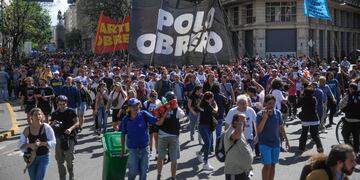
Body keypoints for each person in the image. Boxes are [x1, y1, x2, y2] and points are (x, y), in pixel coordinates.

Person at [120, 98, 169, 180]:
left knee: (144, 172)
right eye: (133, 106)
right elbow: (122, 134)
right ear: (129, 107)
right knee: (133, 171)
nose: (135, 107)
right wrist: (122, 149)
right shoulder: (126, 119)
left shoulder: (144, 114)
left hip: (144, 149)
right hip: (133, 150)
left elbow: (158, 122)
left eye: (137, 105)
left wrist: (164, 115)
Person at [256, 94, 290, 180]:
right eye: (270, 103)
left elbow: (281, 127)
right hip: (264, 144)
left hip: (275, 143)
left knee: (273, 165)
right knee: (267, 165)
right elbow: (259, 130)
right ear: (265, 104)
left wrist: (286, 139)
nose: (272, 105)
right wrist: (265, 118)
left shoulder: (277, 113)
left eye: (273, 103)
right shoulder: (260, 114)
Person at [19, 108, 56, 180]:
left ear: (42, 116)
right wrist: (30, 145)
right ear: (31, 117)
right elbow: (21, 145)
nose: (38, 116)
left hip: (44, 157)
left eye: (39, 114)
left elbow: (53, 142)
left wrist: (42, 143)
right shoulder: (27, 129)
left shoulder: (46, 127)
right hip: (31, 158)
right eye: (35, 115)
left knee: (39, 179)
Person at [156, 92, 186, 180]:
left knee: (161, 157)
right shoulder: (177, 109)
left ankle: (159, 175)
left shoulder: (161, 108)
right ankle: (173, 177)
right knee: (174, 158)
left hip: (162, 135)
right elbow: (182, 115)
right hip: (174, 136)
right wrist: (176, 106)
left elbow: (157, 118)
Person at [50, 95, 79, 180]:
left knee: (69, 159)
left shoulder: (71, 111)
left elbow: (77, 123)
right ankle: (62, 177)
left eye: (63, 104)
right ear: (57, 104)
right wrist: (52, 124)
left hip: (70, 137)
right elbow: (50, 127)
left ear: (66, 103)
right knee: (59, 160)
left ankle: (71, 175)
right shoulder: (54, 113)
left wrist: (70, 129)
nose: (62, 106)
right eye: (60, 104)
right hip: (59, 137)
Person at [224, 114, 253, 180]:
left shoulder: (240, 131)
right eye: (244, 121)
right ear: (236, 122)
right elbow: (235, 136)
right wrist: (240, 123)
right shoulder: (230, 130)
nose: (246, 122)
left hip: (244, 170)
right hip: (234, 172)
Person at [196, 91, 218, 171]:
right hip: (204, 126)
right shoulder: (207, 105)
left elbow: (199, 107)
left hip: (208, 125)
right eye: (212, 97)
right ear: (210, 98)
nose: (213, 99)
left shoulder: (203, 103)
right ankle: (205, 163)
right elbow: (215, 111)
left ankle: (199, 153)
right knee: (208, 143)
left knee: (207, 143)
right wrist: (216, 105)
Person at [297, 88, 323, 153]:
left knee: (304, 134)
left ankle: (301, 147)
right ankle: (320, 148)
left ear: (305, 93)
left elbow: (297, 106)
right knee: (315, 135)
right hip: (314, 119)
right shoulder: (314, 99)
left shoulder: (303, 99)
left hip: (305, 119)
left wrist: (300, 97)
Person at [339, 83, 360, 159]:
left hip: (349, 120)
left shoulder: (348, 96)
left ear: (351, 88)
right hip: (358, 120)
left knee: (345, 134)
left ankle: (350, 149)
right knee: (356, 136)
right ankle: (356, 152)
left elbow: (341, 105)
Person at [143, 91, 161, 159]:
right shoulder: (146, 103)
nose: (154, 99)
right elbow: (143, 112)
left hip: (156, 122)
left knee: (156, 137)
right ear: (149, 97)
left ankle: (157, 152)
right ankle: (150, 151)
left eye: (155, 97)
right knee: (150, 137)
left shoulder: (158, 102)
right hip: (149, 122)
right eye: (152, 98)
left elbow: (161, 111)